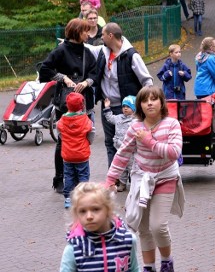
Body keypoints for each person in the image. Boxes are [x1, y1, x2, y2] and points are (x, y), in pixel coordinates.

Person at [105, 86, 185, 272]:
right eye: (145, 100)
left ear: (161, 102)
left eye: (154, 99)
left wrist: (148, 140)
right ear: (140, 105)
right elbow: (123, 154)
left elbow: (173, 153)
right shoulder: (135, 127)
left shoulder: (172, 124)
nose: (149, 103)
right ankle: (148, 267)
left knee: (158, 226)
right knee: (143, 228)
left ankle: (167, 261)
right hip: (141, 179)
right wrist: (110, 179)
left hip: (165, 178)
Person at [39, 18, 97, 194]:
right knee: (63, 141)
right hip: (65, 103)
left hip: (84, 103)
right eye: (86, 31)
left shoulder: (88, 52)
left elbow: (96, 72)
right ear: (77, 32)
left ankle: (81, 177)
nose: (88, 34)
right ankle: (60, 179)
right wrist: (63, 78)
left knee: (83, 140)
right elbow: (45, 69)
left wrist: (87, 82)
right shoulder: (61, 51)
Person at [94, 22, 153, 168]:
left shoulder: (131, 55)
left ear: (111, 35)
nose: (101, 37)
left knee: (128, 143)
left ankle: (132, 176)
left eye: (102, 34)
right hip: (107, 106)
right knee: (110, 142)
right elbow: (89, 49)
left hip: (126, 108)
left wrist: (144, 104)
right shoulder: (103, 52)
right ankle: (114, 179)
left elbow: (147, 80)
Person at [59, 182, 140, 272]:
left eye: (95, 209)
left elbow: (135, 269)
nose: (89, 216)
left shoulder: (127, 241)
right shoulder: (75, 248)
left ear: (108, 209)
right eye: (82, 211)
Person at [58, 92, 95, 209]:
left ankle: (68, 198)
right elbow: (91, 131)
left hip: (68, 155)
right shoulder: (84, 119)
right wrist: (89, 141)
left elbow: (59, 132)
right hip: (82, 154)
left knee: (68, 176)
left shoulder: (63, 120)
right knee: (83, 175)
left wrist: (65, 140)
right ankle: (83, 197)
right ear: (82, 105)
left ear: (68, 105)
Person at [104, 95, 136, 192]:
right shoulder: (118, 118)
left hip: (131, 151)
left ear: (134, 108)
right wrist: (107, 107)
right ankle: (122, 184)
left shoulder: (136, 121)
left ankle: (135, 185)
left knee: (132, 168)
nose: (125, 108)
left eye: (128, 106)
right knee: (122, 169)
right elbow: (110, 118)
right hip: (120, 148)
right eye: (123, 106)